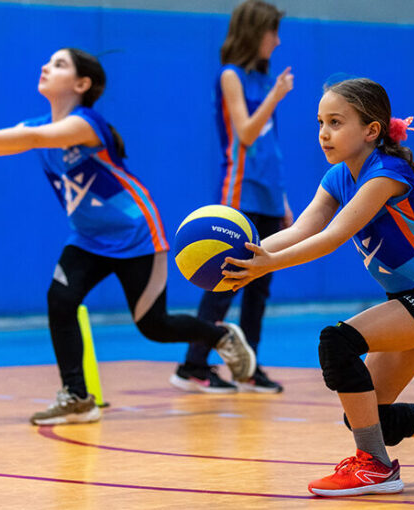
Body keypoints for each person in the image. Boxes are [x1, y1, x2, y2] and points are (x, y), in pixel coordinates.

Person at [0, 48, 256, 425]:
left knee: (153, 326)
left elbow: (30, 138)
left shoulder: (85, 124)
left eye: (58, 64)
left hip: (137, 234)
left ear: (81, 84)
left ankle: (219, 336)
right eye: (47, 61)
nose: (45, 67)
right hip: (88, 238)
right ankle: (76, 397)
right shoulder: (39, 127)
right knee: (60, 300)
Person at [222, 78, 414, 497]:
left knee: (337, 342)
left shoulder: (386, 174)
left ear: (372, 130)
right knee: (368, 414)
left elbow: (333, 236)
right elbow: (302, 229)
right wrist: (249, 254)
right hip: (409, 299)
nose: (324, 132)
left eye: (336, 122)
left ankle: (375, 467)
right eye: (320, 122)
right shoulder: (339, 176)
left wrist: (268, 265)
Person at [170, 0, 293, 395]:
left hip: (269, 196)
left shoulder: (264, 80)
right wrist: (276, 97)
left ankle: (248, 367)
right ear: (255, 32)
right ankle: (193, 365)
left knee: (259, 287)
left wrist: (283, 201)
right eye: (272, 32)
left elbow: (271, 147)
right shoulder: (231, 76)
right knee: (223, 284)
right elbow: (246, 133)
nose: (277, 41)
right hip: (240, 192)